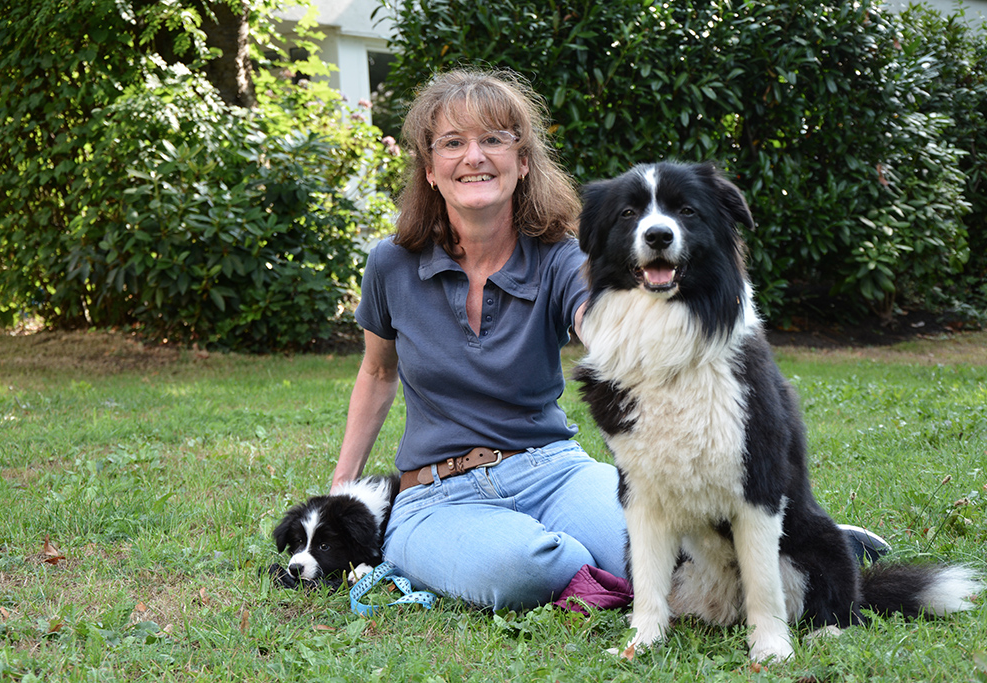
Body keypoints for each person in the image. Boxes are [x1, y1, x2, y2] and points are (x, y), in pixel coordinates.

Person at [329, 67, 888, 612]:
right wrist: (342, 486)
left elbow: (599, 316)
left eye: (494, 140)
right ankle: (527, 556)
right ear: (430, 169)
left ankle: (806, 539)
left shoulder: (557, 256)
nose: (474, 156)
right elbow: (378, 374)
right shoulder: (390, 264)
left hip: (551, 470)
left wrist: (689, 315)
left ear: (522, 162)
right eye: (452, 143)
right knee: (526, 568)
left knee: (666, 552)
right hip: (437, 492)